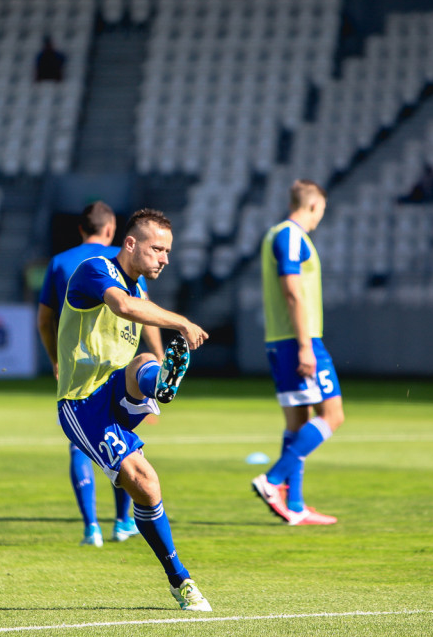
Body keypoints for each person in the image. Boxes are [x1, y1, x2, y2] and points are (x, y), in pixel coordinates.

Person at [55, 208, 212, 611]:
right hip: (83, 402)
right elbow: (123, 307)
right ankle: (180, 579)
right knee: (147, 483)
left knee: (144, 363)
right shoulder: (95, 269)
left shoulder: (139, 291)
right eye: (158, 248)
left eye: (168, 251)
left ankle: (157, 382)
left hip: (115, 387)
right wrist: (182, 322)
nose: (165, 258)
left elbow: (140, 318)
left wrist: (159, 377)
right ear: (130, 243)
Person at [37, 201, 164, 547]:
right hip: (115, 375)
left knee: (81, 449)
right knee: (122, 445)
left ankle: (91, 527)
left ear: (81, 229)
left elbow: (45, 320)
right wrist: (158, 360)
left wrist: (56, 360)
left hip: (78, 372)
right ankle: (123, 522)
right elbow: (144, 311)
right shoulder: (120, 262)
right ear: (113, 231)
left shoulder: (60, 261)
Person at [251, 180, 344, 526]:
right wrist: (306, 344)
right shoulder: (290, 236)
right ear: (314, 206)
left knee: (298, 422)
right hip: (297, 340)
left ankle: (297, 504)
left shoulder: (277, 233)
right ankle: (272, 480)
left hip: (282, 339)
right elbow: (291, 292)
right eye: (321, 210)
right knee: (333, 415)